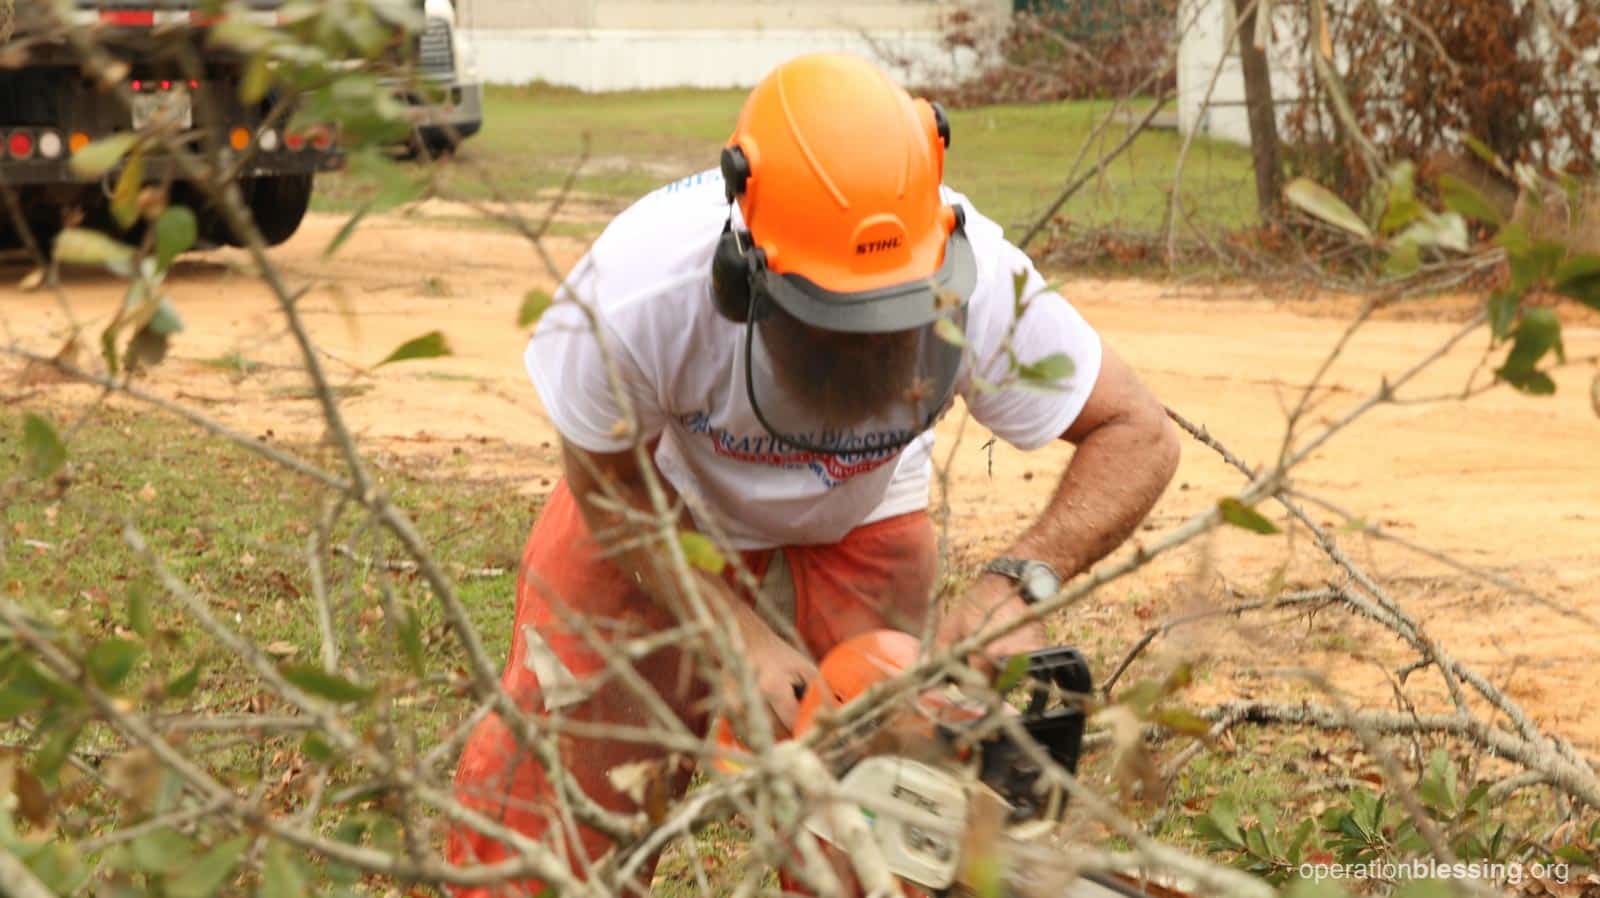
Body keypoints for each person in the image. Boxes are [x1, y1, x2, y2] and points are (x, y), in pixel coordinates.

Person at [447, 52, 1180, 896]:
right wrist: (731, 627)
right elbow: (606, 483)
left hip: (864, 516)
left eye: (889, 324)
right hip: (669, 504)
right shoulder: (637, 293)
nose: (866, 352)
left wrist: (1017, 585)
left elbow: (1139, 433)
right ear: (745, 275)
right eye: (836, 325)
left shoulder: (982, 285)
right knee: (553, 804)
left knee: (894, 815)